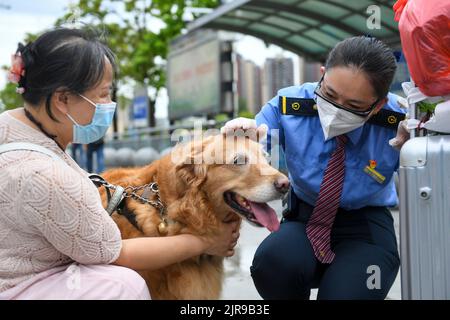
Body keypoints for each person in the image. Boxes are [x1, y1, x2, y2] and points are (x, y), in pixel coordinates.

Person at [0, 27, 239, 300]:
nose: (109, 104)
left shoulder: (11, 129)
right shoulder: (46, 174)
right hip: (21, 288)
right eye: (102, 94)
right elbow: (115, 253)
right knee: (123, 285)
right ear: (62, 99)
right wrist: (205, 242)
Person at [222, 36, 406, 300]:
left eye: (353, 106)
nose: (335, 110)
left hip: (365, 224)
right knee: (273, 264)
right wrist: (242, 141)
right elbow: (257, 146)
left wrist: (418, 150)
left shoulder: (398, 122)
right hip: (305, 217)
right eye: (329, 95)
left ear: (378, 104)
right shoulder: (288, 105)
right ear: (322, 75)